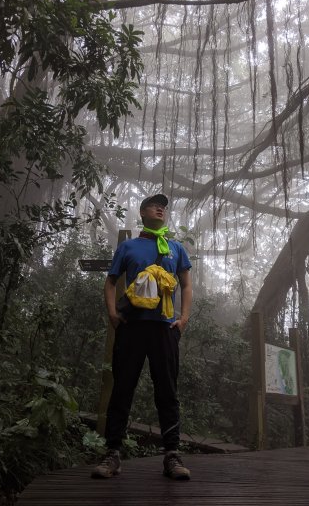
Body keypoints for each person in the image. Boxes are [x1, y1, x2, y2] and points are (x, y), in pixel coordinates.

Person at [91, 194, 193, 480]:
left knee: (167, 392)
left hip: (165, 329)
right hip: (132, 326)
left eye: (164, 206)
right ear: (142, 212)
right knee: (122, 388)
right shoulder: (129, 247)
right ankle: (112, 454)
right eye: (154, 205)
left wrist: (183, 320)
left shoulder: (175, 248)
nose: (161, 208)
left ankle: (172, 455)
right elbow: (110, 283)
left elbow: (186, 286)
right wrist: (112, 314)